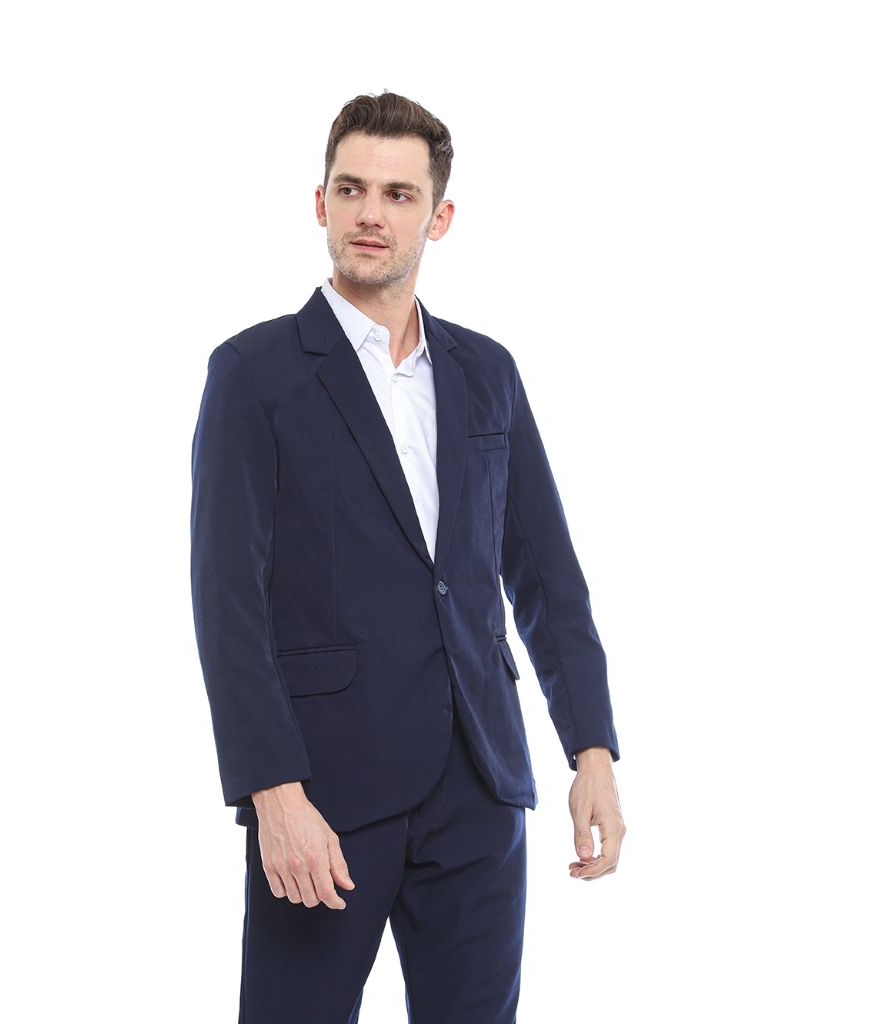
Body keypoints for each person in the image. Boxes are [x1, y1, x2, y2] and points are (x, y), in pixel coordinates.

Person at [190, 90, 625, 1024]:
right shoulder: (254, 374)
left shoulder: (486, 372)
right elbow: (227, 603)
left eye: (397, 194)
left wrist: (590, 748)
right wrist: (273, 793)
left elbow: (546, 573)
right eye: (350, 190)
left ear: (440, 215)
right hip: (325, 792)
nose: (370, 214)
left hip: (479, 785)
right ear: (320, 203)